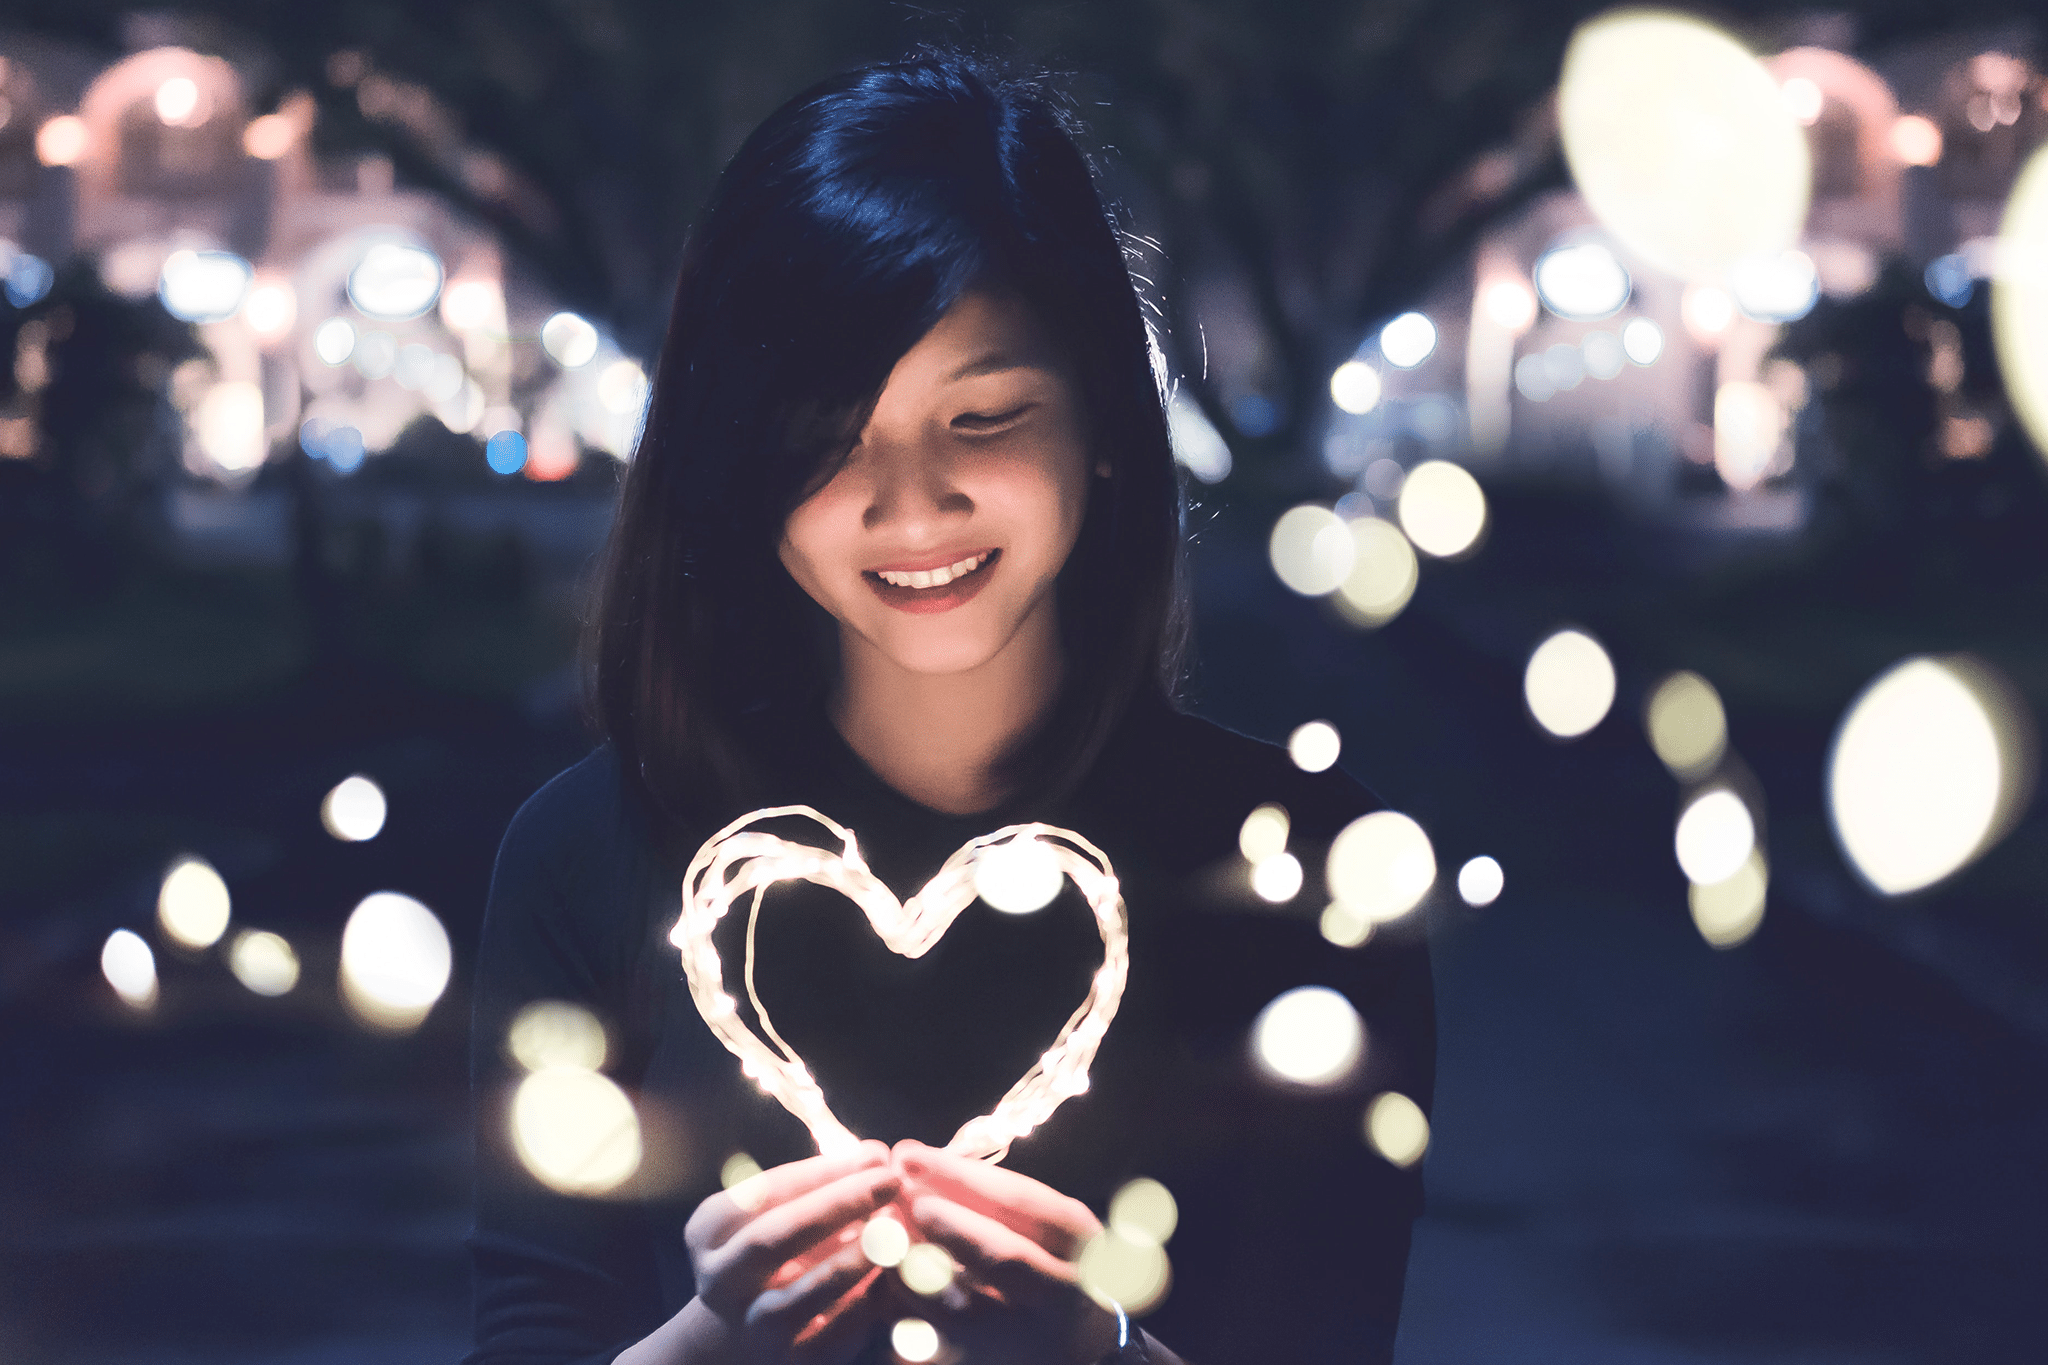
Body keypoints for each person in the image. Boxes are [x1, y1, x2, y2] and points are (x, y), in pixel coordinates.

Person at [467, 52, 1433, 1365]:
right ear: (737, 459)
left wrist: (1098, 1350)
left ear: (1100, 416)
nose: (909, 504)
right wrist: (717, 1343)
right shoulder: (591, 859)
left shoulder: (1301, 870)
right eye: (828, 437)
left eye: (982, 418)